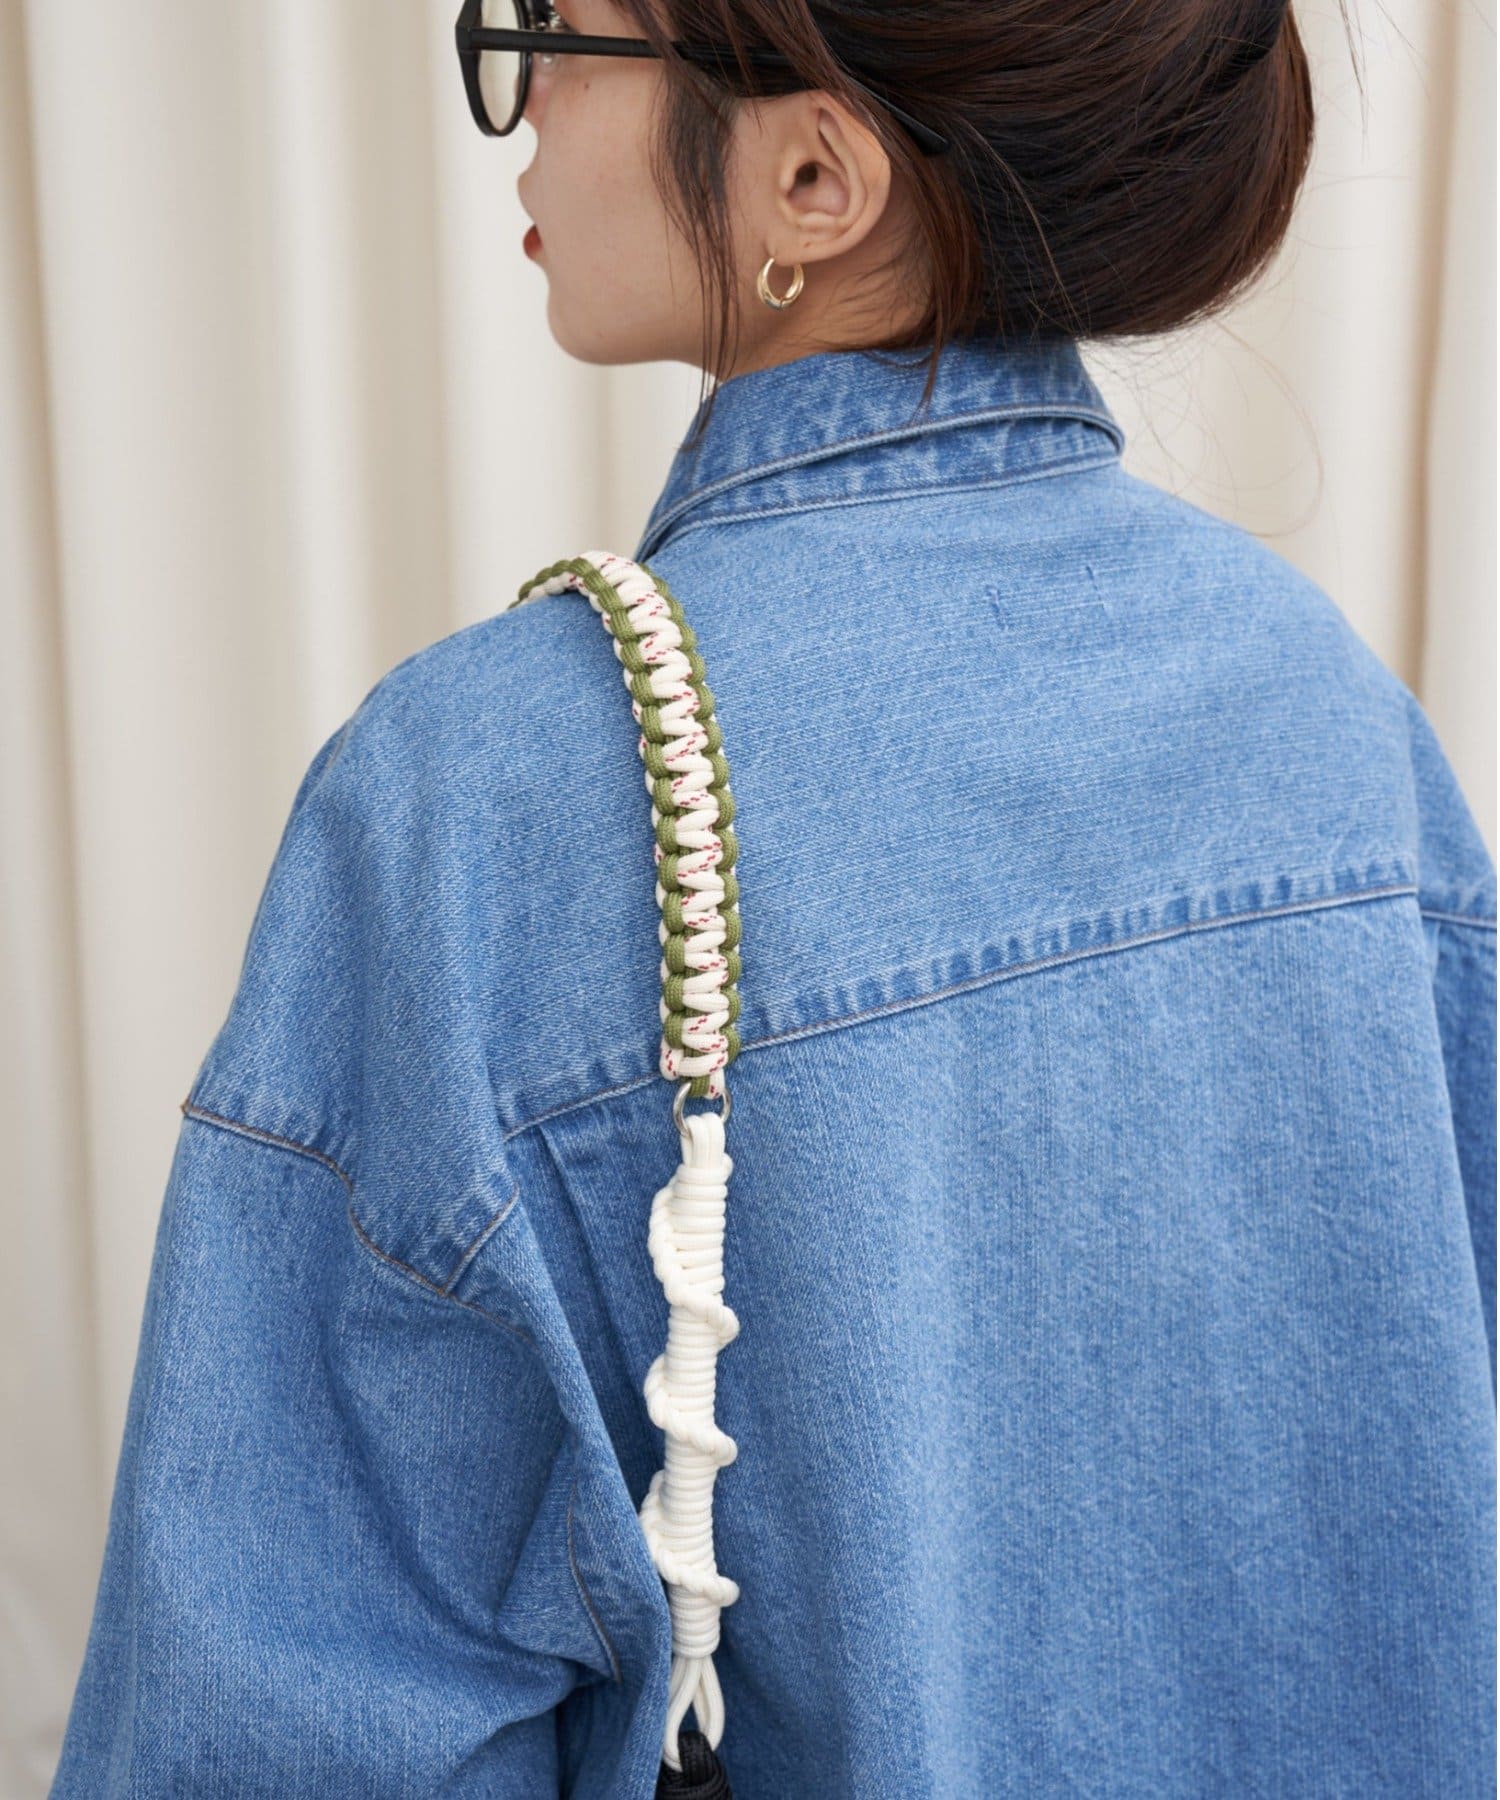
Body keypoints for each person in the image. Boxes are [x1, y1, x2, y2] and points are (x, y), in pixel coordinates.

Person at [52, 0, 1495, 1795]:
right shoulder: (1331, 718)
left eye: (559, 31)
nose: (525, 96)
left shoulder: (476, 806)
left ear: (815, 177)